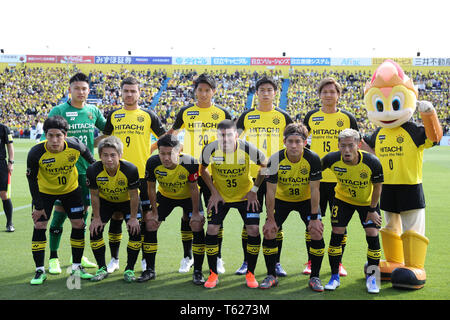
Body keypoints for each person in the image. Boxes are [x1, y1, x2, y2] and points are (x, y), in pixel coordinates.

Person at [166, 73, 232, 274]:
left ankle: (217, 257)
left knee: (215, 217)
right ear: (195, 91)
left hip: (214, 171)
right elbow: (172, 134)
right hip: (190, 170)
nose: (203, 93)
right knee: (188, 216)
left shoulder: (222, 113)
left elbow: (231, 138)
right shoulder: (186, 112)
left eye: (207, 90)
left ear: (214, 91)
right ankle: (187, 257)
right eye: (200, 89)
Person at [99, 76, 166, 273]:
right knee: (116, 215)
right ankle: (114, 260)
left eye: (133, 91)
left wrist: (150, 150)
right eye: (126, 91)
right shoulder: (113, 115)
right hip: (116, 172)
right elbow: (105, 140)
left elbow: (165, 139)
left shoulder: (148, 115)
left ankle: (145, 259)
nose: (129, 94)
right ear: (121, 93)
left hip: (142, 174)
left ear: (139, 93)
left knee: (145, 218)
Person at [44, 72, 106, 274]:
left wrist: (91, 144)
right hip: (65, 172)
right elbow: (50, 137)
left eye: (84, 89)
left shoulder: (93, 111)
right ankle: (53, 257)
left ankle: (76, 256)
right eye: (76, 88)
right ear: (70, 90)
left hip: (86, 172)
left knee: (82, 216)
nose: (80, 92)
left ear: (89, 91)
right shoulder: (59, 110)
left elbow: (108, 130)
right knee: (60, 214)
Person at [26, 116, 96, 285]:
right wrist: (38, 206)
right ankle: (39, 271)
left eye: (58, 135)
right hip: (45, 193)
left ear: (65, 135)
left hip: (71, 191)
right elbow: (32, 180)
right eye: (50, 135)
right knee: (40, 225)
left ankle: (77, 266)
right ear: (45, 135)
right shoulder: (36, 153)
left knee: (78, 224)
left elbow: (93, 163)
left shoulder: (76, 145)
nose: (55, 140)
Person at [236, 76, 293, 276]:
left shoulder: (284, 116)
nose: (266, 93)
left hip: (276, 176)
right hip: (251, 177)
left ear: (275, 93)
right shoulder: (246, 116)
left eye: (270, 90)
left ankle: (276, 263)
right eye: (263, 90)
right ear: (257, 93)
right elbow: (234, 141)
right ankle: (246, 262)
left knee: (276, 221)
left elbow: (293, 142)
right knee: (249, 221)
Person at [200, 119, 267, 289]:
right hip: (221, 197)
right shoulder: (210, 148)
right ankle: (213, 273)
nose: (226, 139)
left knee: (252, 230)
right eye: (222, 135)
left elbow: (265, 165)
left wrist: (255, 190)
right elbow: (203, 170)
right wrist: (214, 192)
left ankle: (250, 273)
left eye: (229, 135)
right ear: (218, 136)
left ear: (236, 135)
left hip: (245, 196)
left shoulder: (247, 148)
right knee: (212, 229)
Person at [302, 77, 359, 276]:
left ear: (338, 95)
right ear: (319, 95)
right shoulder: (311, 116)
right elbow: (301, 141)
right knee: (313, 221)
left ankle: (339, 262)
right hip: (316, 180)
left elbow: (355, 145)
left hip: (340, 180)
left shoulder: (348, 118)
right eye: (325, 92)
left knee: (339, 225)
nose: (328, 95)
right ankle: (310, 261)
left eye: (332, 92)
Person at [261, 123, 324, 291]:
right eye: (290, 141)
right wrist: (270, 219)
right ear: (284, 142)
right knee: (269, 231)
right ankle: (271, 275)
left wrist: (315, 218)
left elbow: (315, 189)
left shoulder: (313, 158)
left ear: (305, 142)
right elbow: (270, 192)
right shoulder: (275, 159)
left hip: (306, 200)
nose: (294, 145)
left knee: (317, 231)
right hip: (282, 200)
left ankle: (315, 277)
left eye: (298, 141)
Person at [321, 129, 383, 293]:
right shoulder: (331, 159)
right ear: (338, 146)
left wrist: (372, 209)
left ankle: (372, 279)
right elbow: (315, 171)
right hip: (343, 200)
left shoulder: (372, 162)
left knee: (372, 234)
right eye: (343, 146)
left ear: (359, 145)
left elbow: (377, 187)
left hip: (367, 203)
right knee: (336, 232)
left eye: (351, 145)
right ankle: (334, 277)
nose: (347, 150)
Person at [142, 134, 205, 284]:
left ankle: (197, 271)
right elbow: (151, 188)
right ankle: (149, 270)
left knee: (196, 224)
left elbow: (194, 189)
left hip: (188, 196)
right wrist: (154, 212)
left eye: (170, 153)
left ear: (179, 151)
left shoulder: (189, 162)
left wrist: (196, 213)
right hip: (166, 196)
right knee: (150, 223)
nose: (166, 158)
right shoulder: (152, 162)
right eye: (162, 153)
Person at [87, 136, 141, 282]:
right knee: (95, 230)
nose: (109, 159)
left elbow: (134, 196)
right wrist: (96, 218)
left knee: (136, 230)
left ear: (120, 155)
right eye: (105, 155)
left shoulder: (130, 169)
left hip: (127, 202)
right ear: (100, 156)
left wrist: (134, 218)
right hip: (106, 201)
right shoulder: (93, 170)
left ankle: (129, 269)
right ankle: (102, 268)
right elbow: (94, 195)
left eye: (113, 155)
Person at [0, 123, 14, 232]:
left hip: (1, 164)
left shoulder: (3, 128)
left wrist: (11, 162)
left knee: (4, 194)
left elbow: (10, 145)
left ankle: (9, 223)